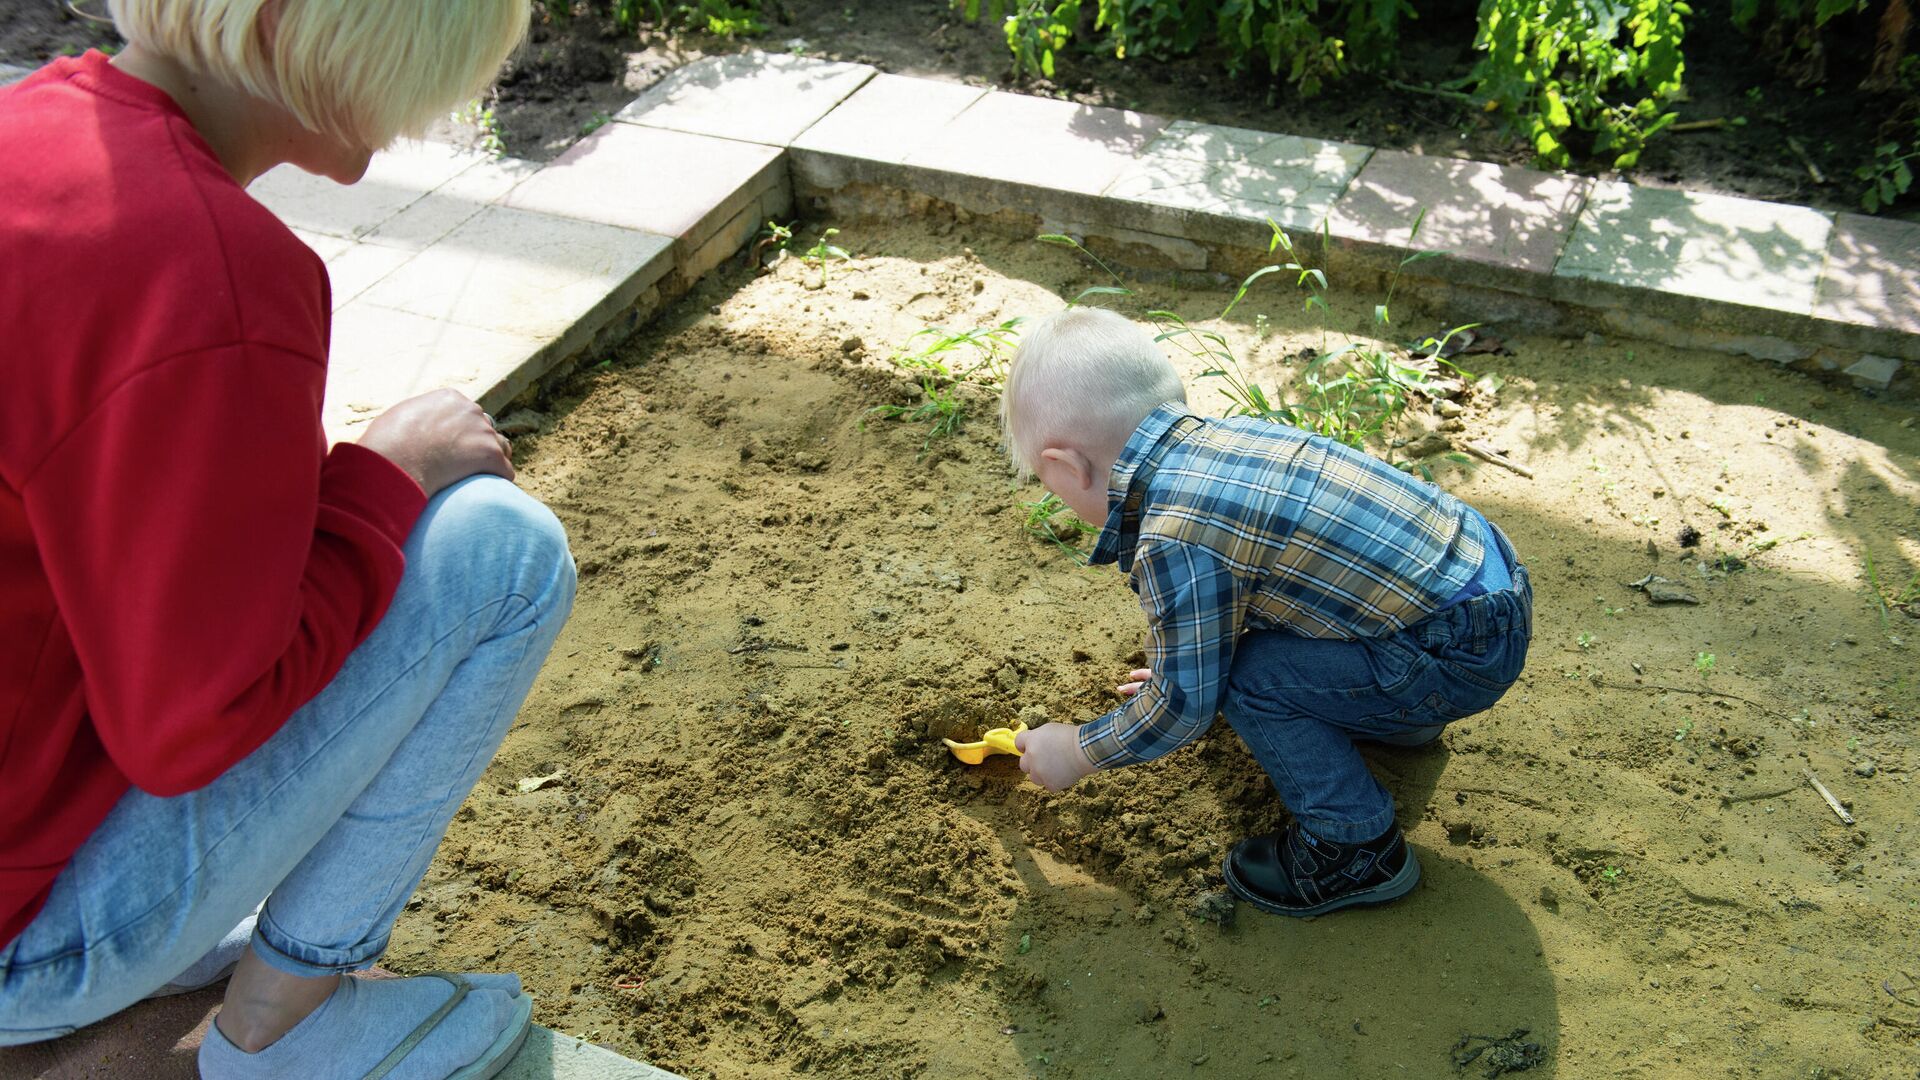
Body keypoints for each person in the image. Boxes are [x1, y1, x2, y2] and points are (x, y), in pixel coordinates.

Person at [0, 2, 577, 1077]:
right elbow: (191, 724)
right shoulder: (207, 271)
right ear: (287, 31)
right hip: (26, 943)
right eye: (410, 81)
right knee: (501, 550)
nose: (406, 129)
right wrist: (383, 478)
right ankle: (282, 1023)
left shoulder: (26, 132)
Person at [1002, 307, 1532, 917]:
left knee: (1250, 678)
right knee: (1239, 655)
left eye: (1052, 487)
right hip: (1482, 584)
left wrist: (1076, 749)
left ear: (1069, 467)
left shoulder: (1175, 538)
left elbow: (1181, 708)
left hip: (1451, 654)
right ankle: (1396, 719)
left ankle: (1353, 848)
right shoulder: (1232, 440)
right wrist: (1195, 666)